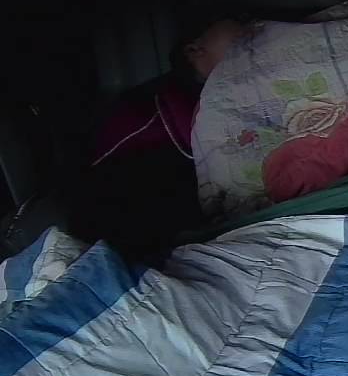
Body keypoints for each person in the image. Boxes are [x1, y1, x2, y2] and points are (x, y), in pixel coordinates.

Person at [63, 16, 250, 256]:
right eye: (238, 41)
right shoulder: (161, 106)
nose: (249, 43)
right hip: (123, 214)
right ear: (194, 51)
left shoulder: (235, 90)